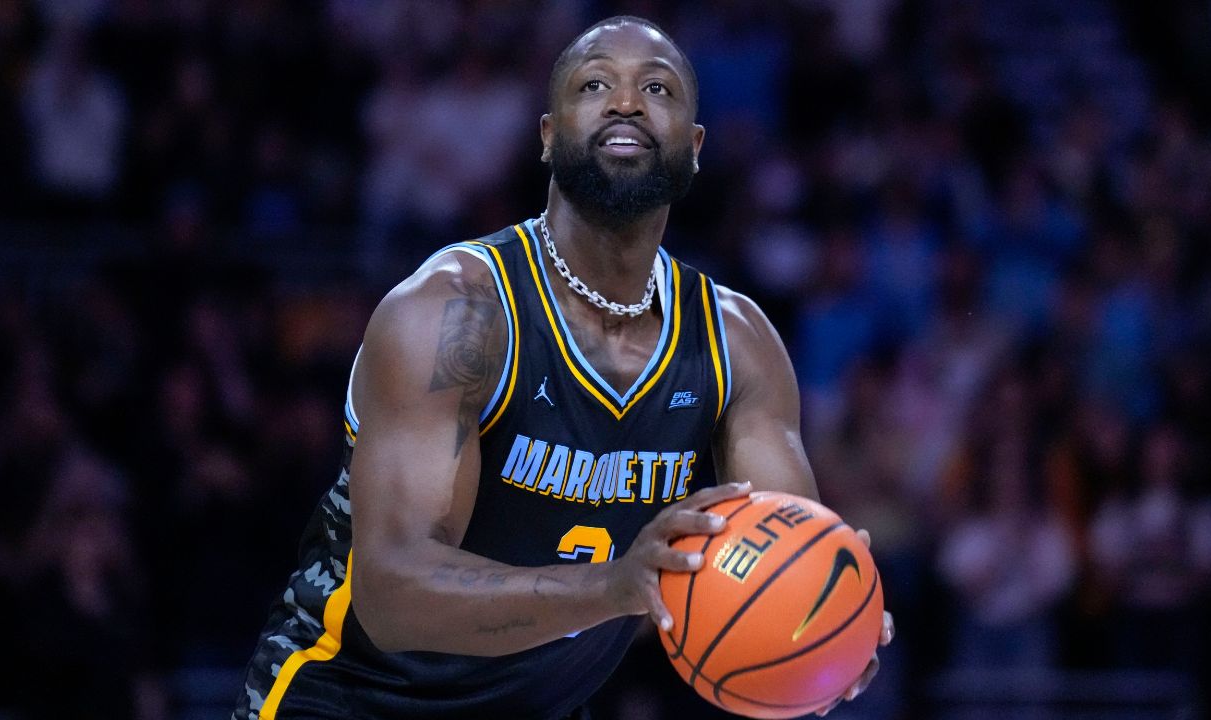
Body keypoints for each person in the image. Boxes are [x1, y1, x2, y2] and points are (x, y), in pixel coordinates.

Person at [235, 16, 893, 720]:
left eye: (658, 88)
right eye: (595, 84)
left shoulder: (737, 344)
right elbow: (394, 592)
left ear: (695, 149)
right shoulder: (459, 311)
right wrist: (614, 586)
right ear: (547, 136)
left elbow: (780, 557)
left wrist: (826, 624)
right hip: (346, 698)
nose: (627, 102)